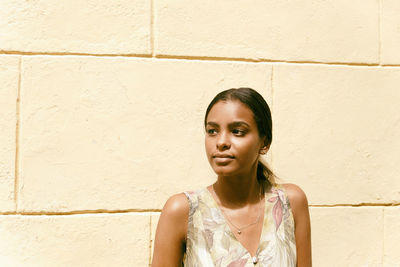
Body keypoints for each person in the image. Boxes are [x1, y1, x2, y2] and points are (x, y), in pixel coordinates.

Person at [152, 88, 311, 266]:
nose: (221, 142)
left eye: (237, 131)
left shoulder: (289, 203)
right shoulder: (183, 211)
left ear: (264, 143)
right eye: (212, 131)